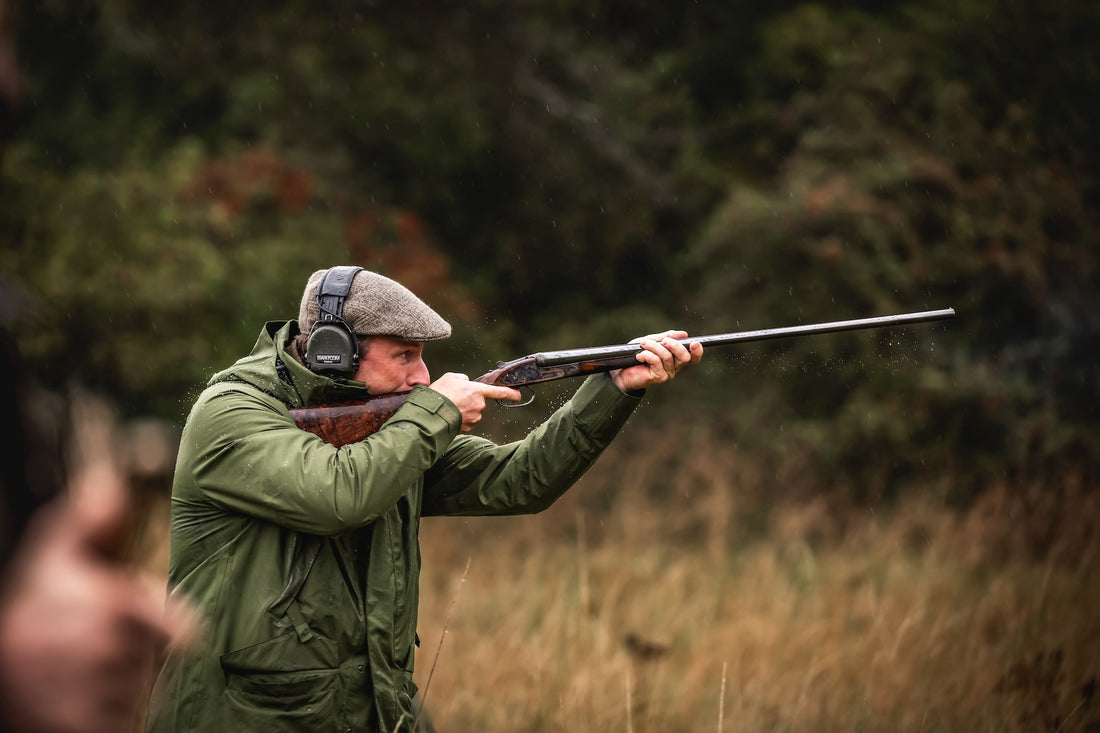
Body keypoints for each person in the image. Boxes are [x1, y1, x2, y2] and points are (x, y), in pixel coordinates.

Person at [144, 265, 703, 733]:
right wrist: (436, 414)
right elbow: (336, 494)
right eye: (405, 356)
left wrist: (614, 387)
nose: (424, 376)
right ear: (331, 352)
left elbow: (523, 478)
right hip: (241, 719)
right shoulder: (229, 414)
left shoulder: (393, 434)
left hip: (369, 712)